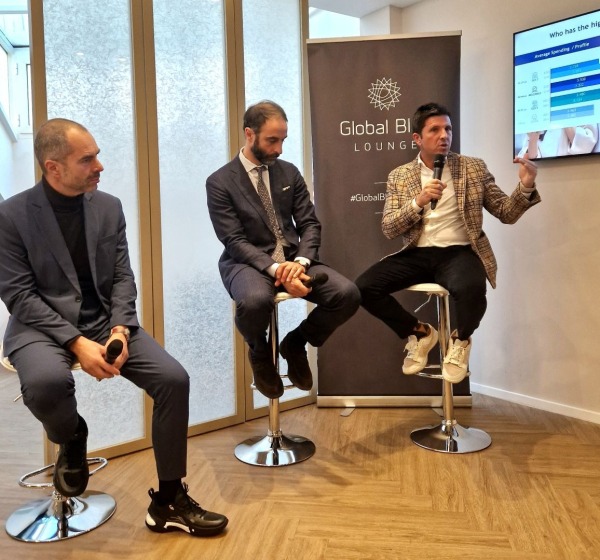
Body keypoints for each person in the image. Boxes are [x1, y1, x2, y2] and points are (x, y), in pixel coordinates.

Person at [0, 118, 228, 537]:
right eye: (87, 159)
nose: (99, 166)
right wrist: (77, 343)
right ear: (53, 167)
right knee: (48, 384)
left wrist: (121, 329)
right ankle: (72, 434)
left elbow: (122, 275)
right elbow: (20, 296)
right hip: (40, 327)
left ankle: (169, 500)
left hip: (106, 321)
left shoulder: (108, 206)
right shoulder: (11, 216)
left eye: (97, 155)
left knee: (173, 380)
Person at [356, 102, 541, 384]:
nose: (444, 135)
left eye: (448, 129)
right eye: (435, 130)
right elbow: (389, 228)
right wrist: (418, 201)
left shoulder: (473, 168)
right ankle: (419, 333)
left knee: (472, 289)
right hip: (417, 253)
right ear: (417, 138)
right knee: (363, 288)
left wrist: (526, 186)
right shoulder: (400, 175)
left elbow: (506, 213)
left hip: (459, 252)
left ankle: (460, 340)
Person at [206, 100, 360, 399]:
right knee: (254, 301)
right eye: (272, 140)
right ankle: (259, 352)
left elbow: (310, 224)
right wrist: (278, 271)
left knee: (348, 294)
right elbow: (234, 240)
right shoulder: (220, 182)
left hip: (294, 258)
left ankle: (295, 343)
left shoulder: (289, 173)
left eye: (283, 140)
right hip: (246, 262)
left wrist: (299, 263)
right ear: (249, 134)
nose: (279, 149)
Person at [518, 124, 599, 158]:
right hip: (544, 174)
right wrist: (533, 139)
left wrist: (562, 114)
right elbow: (530, 158)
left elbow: (585, 144)